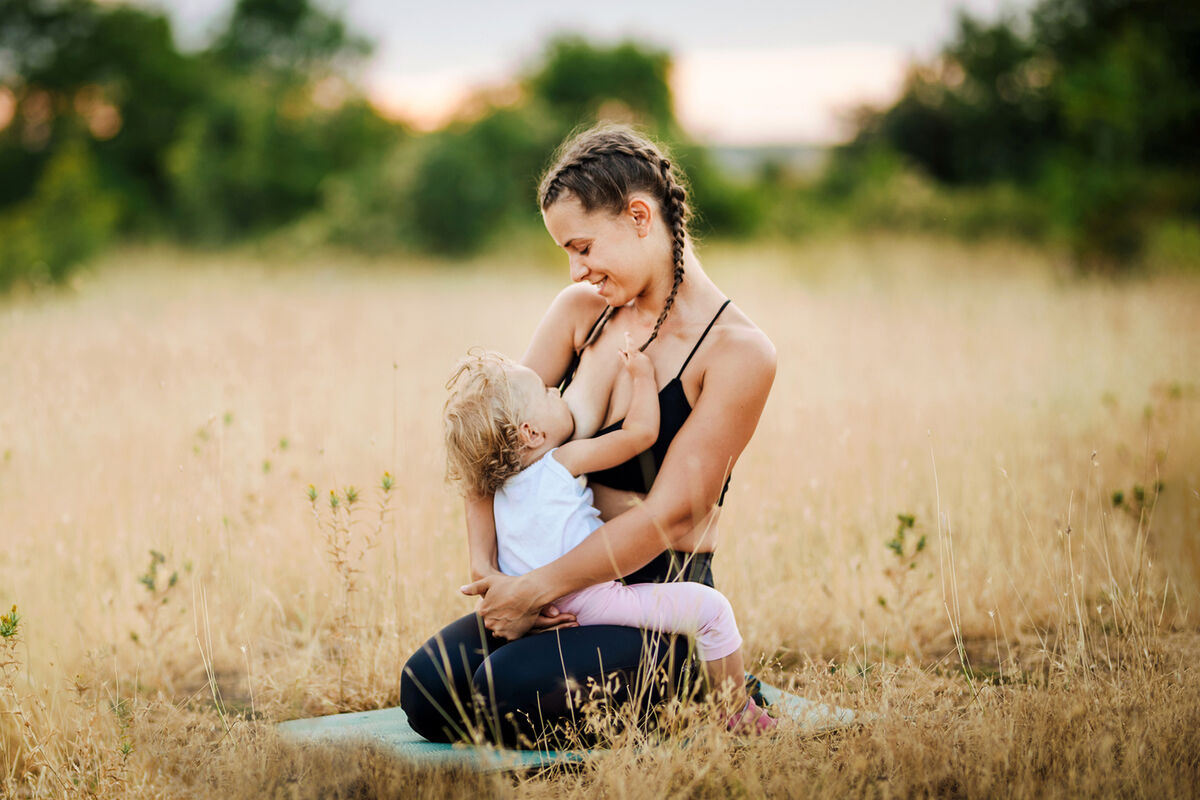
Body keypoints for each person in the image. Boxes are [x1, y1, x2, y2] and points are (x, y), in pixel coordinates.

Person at [399, 123, 777, 748]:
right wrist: (489, 571)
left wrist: (538, 588)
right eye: (566, 255)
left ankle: (691, 681)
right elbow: (487, 447)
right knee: (428, 694)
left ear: (637, 217)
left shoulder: (739, 353)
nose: (577, 270)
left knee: (504, 692)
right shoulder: (579, 311)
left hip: (649, 599)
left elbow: (673, 510)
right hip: (550, 589)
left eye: (582, 247)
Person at [441, 344, 774, 734]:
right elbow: (641, 434)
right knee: (713, 611)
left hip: (539, 613)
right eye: (547, 392)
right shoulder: (560, 462)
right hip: (593, 600)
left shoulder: (498, 488)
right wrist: (643, 377)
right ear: (530, 434)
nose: (556, 391)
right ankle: (734, 710)